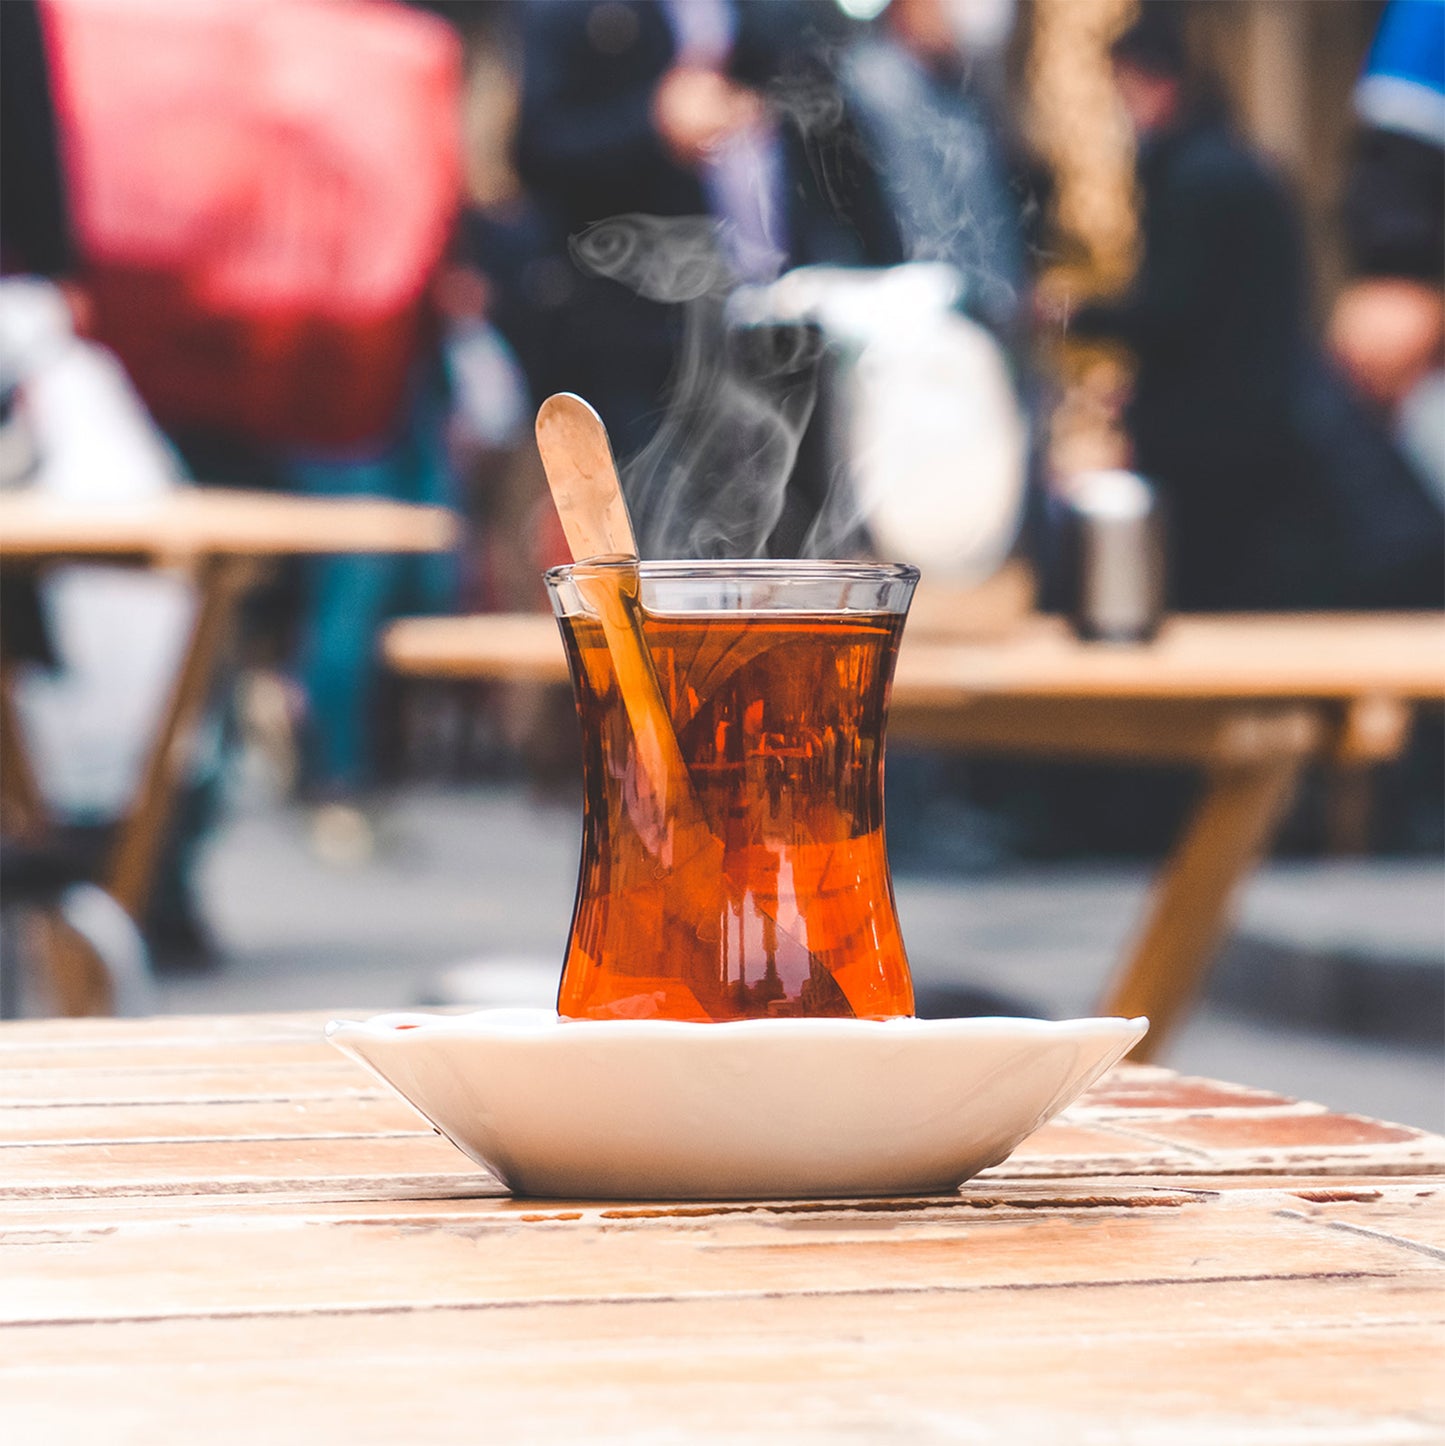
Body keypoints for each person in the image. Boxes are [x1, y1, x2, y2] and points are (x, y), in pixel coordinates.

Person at [1066, 5, 1442, 612]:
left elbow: (1175, 310)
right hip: (1265, 429)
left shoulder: (1196, 177)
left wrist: (1073, 313)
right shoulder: (1237, 162)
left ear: (1156, 81)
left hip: (1223, 447)